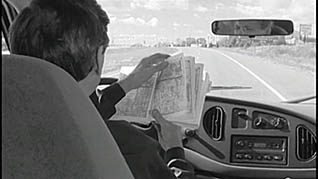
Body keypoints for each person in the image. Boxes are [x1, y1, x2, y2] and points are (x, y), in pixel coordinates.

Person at [9, 0, 195, 178]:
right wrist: (174, 150)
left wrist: (128, 83)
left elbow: (81, 108)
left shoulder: (15, 125)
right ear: (99, 57)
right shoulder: (130, 149)